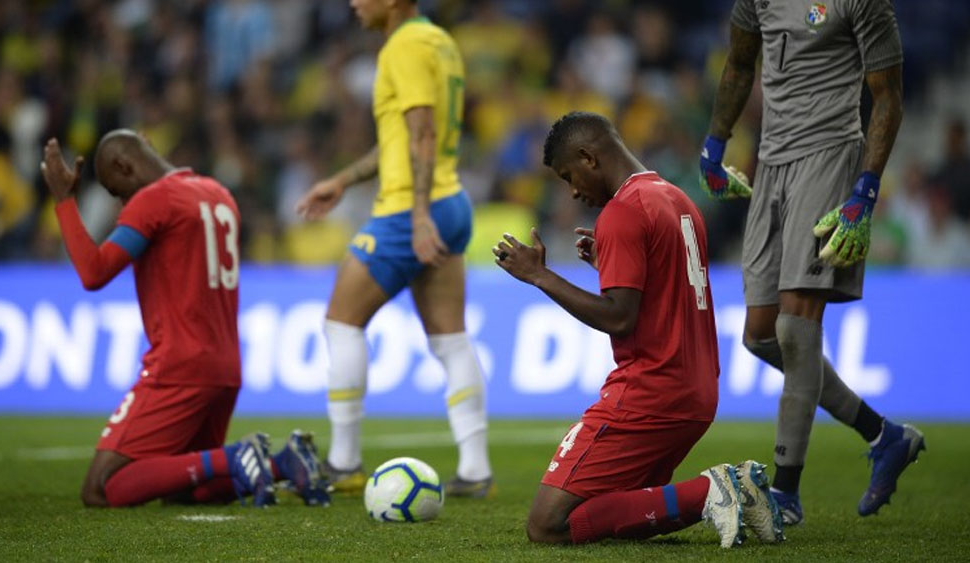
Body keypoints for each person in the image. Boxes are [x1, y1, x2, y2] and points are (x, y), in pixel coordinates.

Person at [496, 111, 783, 548]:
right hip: (697, 393)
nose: (573, 190)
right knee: (621, 506)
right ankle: (733, 494)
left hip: (650, 393)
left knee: (547, 525)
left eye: (569, 176)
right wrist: (610, 262)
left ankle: (714, 490)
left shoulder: (623, 212)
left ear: (589, 158)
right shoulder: (675, 198)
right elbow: (666, 288)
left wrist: (540, 276)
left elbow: (618, 317)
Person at [699, 0, 924, 524]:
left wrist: (864, 193)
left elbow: (888, 96)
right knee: (759, 335)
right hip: (771, 161)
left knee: (796, 329)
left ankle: (785, 494)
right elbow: (738, 62)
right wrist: (714, 143)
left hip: (831, 155)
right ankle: (885, 435)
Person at [41, 131, 327, 507]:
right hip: (225, 370)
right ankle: (281, 465)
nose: (123, 203)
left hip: (180, 365)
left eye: (117, 191)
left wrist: (64, 201)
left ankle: (233, 456)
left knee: (101, 488)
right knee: (180, 488)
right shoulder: (218, 193)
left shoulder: (153, 201)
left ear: (125, 166)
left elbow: (94, 273)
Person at [296, 0, 491, 497]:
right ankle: (475, 470)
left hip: (410, 209)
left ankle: (342, 463)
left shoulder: (402, 46)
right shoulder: (440, 42)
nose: (354, 2)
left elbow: (421, 131)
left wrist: (419, 215)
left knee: (341, 322)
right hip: (452, 200)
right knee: (450, 340)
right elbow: (403, 139)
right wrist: (342, 179)